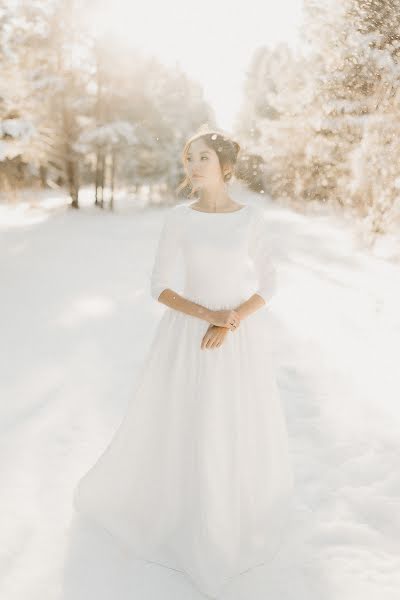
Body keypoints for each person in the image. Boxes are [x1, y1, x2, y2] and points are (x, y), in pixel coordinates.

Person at [73, 124, 295, 599]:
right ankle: (180, 512)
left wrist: (231, 319)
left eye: (203, 159)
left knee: (227, 423)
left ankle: (220, 520)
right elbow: (159, 284)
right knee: (183, 420)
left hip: (237, 341)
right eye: (189, 158)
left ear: (226, 167)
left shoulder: (250, 219)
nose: (193, 167)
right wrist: (208, 315)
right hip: (185, 337)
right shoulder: (179, 218)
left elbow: (270, 282)